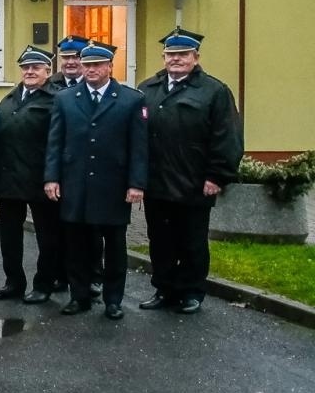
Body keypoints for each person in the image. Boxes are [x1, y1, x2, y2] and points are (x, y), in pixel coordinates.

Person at [137, 28, 242, 314]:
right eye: (171, 55)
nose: (176, 59)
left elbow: (227, 136)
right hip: (157, 181)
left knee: (192, 240)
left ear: (195, 57)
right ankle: (165, 289)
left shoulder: (214, 91)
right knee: (160, 240)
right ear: (163, 57)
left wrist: (217, 175)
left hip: (194, 181)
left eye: (183, 54)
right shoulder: (148, 89)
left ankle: (192, 291)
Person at [45, 41, 148, 320]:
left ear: (109, 67)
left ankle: (113, 300)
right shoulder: (65, 98)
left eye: (97, 65)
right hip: (75, 182)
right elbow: (55, 142)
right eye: (87, 64)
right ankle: (79, 296)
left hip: (112, 185)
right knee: (76, 244)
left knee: (114, 245)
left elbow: (139, 147)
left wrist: (136, 183)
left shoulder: (131, 99)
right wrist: (51, 178)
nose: (91, 69)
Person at [0, 46, 64, 303]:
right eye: (25, 67)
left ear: (48, 70)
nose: (30, 71)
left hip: (40, 180)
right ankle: (14, 282)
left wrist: (52, 177)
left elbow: (59, 142)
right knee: (9, 236)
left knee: (48, 237)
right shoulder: (11, 97)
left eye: (36, 67)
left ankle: (44, 284)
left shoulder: (58, 98)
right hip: (9, 178)